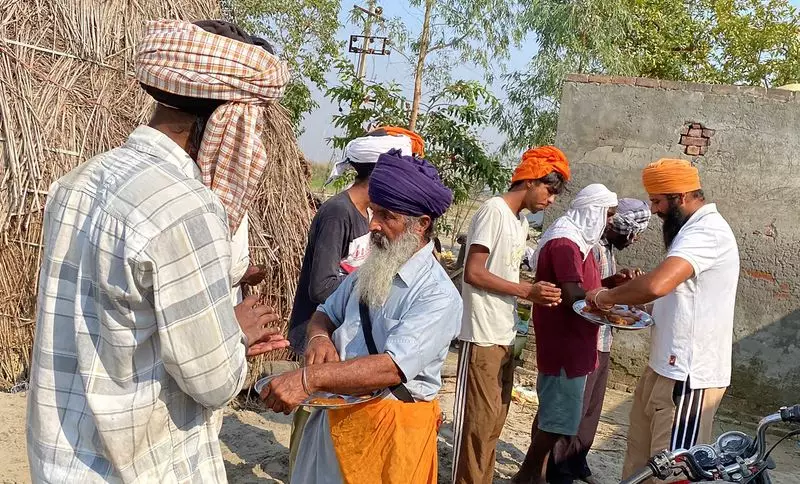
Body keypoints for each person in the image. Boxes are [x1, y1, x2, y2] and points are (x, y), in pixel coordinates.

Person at [26, 20, 291, 482]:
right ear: (228, 118)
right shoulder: (185, 208)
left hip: (61, 462)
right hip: (141, 468)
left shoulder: (76, 183)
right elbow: (211, 381)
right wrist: (234, 333)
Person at [261, 150, 461, 483]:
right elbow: (324, 313)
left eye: (386, 216)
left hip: (389, 435)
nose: (373, 225)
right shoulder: (370, 268)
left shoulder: (438, 297)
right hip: (333, 419)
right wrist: (319, 337)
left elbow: (391, 367)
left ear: (421, 225)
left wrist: (309, 380)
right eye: (373, 212)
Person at [586, 159, 739, 482]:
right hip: (663, 368)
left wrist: (604, 297)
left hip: (689, 375)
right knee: (641, 464)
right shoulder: (690, 231)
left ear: (680, 197)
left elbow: (657, 284)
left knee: (673, 471)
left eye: (657, 201)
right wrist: (643, 310)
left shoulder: (707, 231)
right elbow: (679, 295)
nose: (654, 211)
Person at [286, 130, 419, 475]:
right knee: (310, 426)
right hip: (322, 335)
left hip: (345, 340)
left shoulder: (366, 217)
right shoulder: (338, 213)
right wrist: (365, 290)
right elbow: (321, 286)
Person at [452, 146, 570, 484]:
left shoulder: (518, 222)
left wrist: (532, 289)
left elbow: (500, 272)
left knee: (493, 424)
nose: (550, 200)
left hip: (503, 333)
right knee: (475, 429)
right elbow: (473, 272)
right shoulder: (494, 211)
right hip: (481, 335)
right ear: (531, 180)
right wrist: (526, 291)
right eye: (549, 190)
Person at [513, 184, 618, 484]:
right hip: (564, 343)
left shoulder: (578, 243)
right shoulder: (565, 244)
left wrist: (612, 283)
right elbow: (574, 296)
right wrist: (611, 302)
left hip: (575, 342)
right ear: (593, 211)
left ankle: (536, 475)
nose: (608, 222)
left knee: (561, 417)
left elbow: (582, 285)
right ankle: (527, 474)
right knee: (558, 420)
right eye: (606, 215)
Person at [545, 198, 651, 484]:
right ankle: (560, 470)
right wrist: (612, 287)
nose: (635, 239)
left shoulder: (608, 248)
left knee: (592, 409)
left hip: (603, 338)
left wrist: (618, 282)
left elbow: (602, 287)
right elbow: (586, 293)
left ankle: (577, 462)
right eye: (633, 233)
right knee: (575, 409)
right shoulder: (588, 245)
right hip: (587, 338)